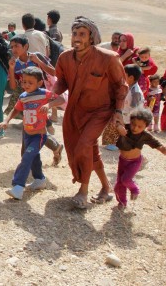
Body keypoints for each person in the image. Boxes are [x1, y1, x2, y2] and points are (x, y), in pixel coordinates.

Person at [53, 16, 128, 209]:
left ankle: (83, 191)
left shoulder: (108, 58)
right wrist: (49, 95)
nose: (77, 37)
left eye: (82, 34)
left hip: (100, 111)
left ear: (92, 37)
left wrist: (118, 111)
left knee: (84, 144)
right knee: (89, 150)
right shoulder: (65, 58)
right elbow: (62, 81)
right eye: (75, 33)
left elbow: (121, 86)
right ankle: (105, 187)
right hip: (75, 111)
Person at [0, 67, 66, 200]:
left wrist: (49, 105)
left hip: (39, 135)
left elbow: (61, 100)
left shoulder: (44, 94)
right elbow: (16, 109)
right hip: (27, 134)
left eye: (30, 82)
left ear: (39, 83)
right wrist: (6, 121)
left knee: (27, 157)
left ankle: (18, 187)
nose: (26, 85)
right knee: (33, 157)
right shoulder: (23, 96)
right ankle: (40, 179)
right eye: (24, 82)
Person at [5, 36, 64, 165]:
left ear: (26, 47)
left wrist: (38, 61)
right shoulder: (14, 63)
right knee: (33, 128)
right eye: (12, 46)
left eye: (17, 46)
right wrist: (11, 68)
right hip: (26, 100)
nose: (14, 49)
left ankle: (26, 161)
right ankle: (55, 147)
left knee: (31, 128)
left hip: (41, 98)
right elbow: (14, 87)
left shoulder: (36, 56)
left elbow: (54, 73)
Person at [113, 108, 166, 209]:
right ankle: (122, 203)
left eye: (140, 126)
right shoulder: (125, 128)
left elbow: (157, 144)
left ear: (146, 126)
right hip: (122, 161)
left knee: (125, 179)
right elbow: (114, 122)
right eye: (133, 124)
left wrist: (165, 150)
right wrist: (118, 126)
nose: (135, 128)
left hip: (134, 162)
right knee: (119, 184)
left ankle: (134, 189)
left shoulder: (145, 136)